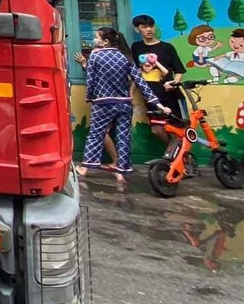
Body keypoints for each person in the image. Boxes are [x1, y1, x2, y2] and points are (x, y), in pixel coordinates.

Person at [74, 27, 168, 186]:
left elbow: (91, 79)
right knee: (123, 137)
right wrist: (158, 104)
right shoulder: (126, 57)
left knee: (96, 134)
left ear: (105, 41)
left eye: (97, 38)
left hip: (103, 103)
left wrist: (89, 96)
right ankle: (120, 172)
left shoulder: (96, 55)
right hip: (124, 103)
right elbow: (140, 82)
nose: (94, 40)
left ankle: (85, 168)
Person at [130, 14, 186, 145]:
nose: (149, 29)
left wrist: (174, 83)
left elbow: (179, 71)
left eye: (151, 26)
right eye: (144, 27)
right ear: (137, 29)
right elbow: (137, 72)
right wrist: (131, 92)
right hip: (150, 97)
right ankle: (172, 153)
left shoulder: (167, 47)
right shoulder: (136, 47)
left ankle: (180, 158)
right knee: (157, 130)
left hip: (170, 96)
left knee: (176, 129)